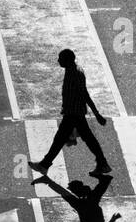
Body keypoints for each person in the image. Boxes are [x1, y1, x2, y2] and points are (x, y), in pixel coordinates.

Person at [29, 48, 112, 177]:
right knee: (85, 139)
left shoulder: (75, 74)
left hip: (74, 114)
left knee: (61, 139)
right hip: (72, 112)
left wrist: (96, 114)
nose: (58, 61)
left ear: (67, 60)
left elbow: (85, 94)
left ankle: (44, 165)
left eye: (60, 59)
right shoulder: (71, 70)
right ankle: (102, 163)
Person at [32, 172, 121, 222]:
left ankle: (105, 180)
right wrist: (113, 219)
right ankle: (48, 181)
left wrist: (114, 218)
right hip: (85, 209)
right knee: (66, 195)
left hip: (91, 208)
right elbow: (89, 221)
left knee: (95, 194)